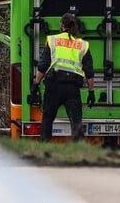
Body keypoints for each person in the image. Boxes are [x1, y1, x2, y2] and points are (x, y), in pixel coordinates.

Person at [29, 13, 95, 142]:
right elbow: (89, 71)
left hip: (54, 85)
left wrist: (36, 84)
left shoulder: (52, 40)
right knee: (76, 122)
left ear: (62, 25)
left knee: (47, 118)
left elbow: (43, 66)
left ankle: (44, 148)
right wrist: (91, 92)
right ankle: (79, 152)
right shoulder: (83, 45)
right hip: (72, 88)